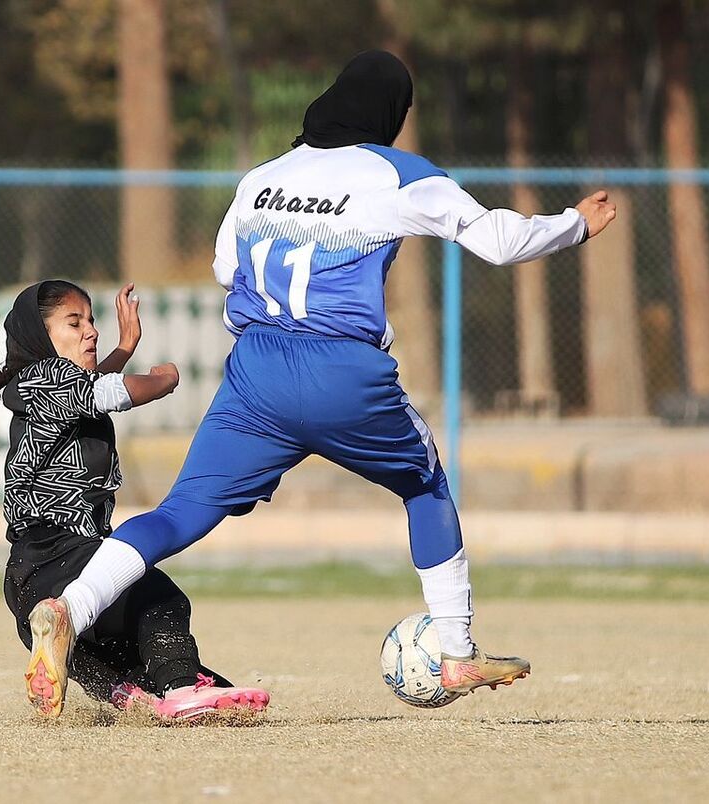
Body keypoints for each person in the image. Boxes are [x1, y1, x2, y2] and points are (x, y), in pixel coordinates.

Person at [37, 50, 618, 716]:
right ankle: (455, 649)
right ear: (391, 114)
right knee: (423, 484)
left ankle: (70, 608)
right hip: (342, 371)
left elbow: (229, 269)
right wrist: (575, 224)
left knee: (179, 511)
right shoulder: (399, 173)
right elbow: (499, 240)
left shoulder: (262, 177)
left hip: (255, 373)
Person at [0, 279, 269, 721]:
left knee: (129, 654)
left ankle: (124, 690)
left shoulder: (43, 387)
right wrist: (164, 379)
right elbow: (111, 393)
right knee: (159, 599)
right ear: (40, 335)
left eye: (91, 320)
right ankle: (180, 688)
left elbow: (87, 391)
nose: (91, 331)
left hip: (32, 581)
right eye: (74, 322)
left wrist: (124, 346)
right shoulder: (48, 376)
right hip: (65, 555)